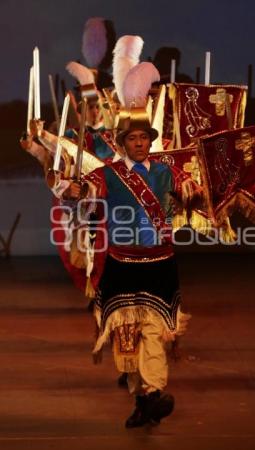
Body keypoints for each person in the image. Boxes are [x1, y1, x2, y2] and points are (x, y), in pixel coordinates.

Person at [63, 98, 202, 427]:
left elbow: (190, 190)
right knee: (126, 336)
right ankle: (142, 398)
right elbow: (87, 189)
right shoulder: (107, 175)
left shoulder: (168, 171)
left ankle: (154, 391)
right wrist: (71, 188)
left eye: (144, 138)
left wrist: (192, 191)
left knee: (155, 332)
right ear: (122, 142)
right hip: (122, 266)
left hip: (160, 265)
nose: (139, 144)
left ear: (150, 140)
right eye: (132, 139)